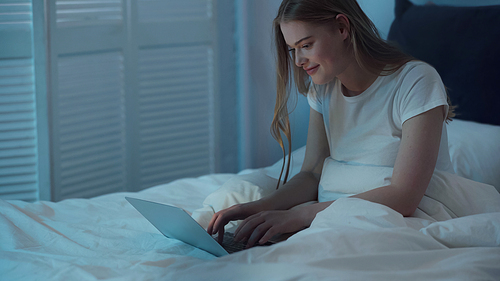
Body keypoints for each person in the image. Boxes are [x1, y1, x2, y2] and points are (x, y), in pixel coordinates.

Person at [207, 0, 456, 248]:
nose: (298, 60)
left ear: (341, 28)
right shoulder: (324, 88)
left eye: (306, 45)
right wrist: (260, 207)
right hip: (331, 215)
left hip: (398, 218)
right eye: (293, 49)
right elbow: (311, 174)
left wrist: (300, 215)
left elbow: (404, 197)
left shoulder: (415, 81)